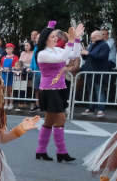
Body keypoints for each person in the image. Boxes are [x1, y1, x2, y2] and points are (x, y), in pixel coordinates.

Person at [34, 21, 85, 162]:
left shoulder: (57, 50)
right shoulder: (42, 54)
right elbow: (62, 59)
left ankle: (41, 150)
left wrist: (77, 39)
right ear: (45, 39)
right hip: (49, 89)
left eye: (56, 36)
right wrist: (70, 41)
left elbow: (74, 54)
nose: (55, 38)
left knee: (50, 120)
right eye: (52, 36)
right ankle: (61, 152)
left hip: (60, 88)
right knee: (61, 118)